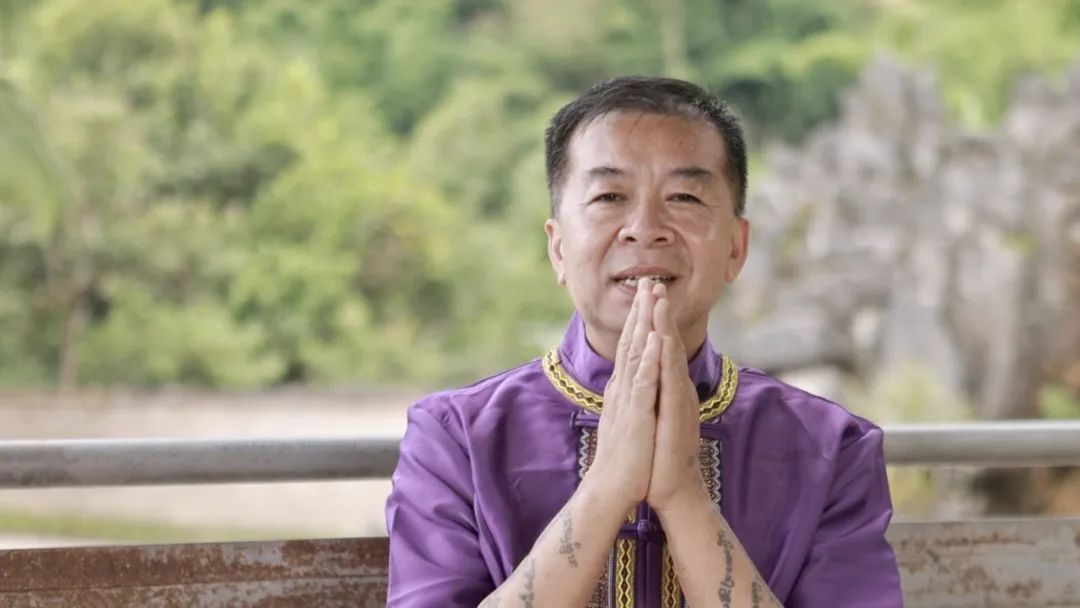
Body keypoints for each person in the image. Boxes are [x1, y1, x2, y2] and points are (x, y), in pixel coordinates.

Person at [385, 76, 902, 607]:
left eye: (684, 197)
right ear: (559, 247)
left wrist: (684, 496)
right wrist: (607, 486)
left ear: (735, 247)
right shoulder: (456, 439)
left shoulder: (830, 448)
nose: (645, 228)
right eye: (610, 196)